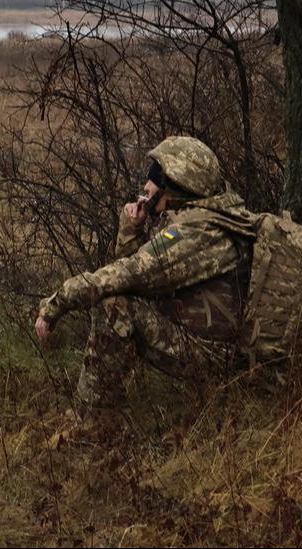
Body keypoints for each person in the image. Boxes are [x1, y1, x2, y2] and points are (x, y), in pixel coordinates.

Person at [34, 136, 256, 426]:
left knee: (114, 306)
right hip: (209, 344)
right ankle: (96, 419)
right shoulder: (209, 218)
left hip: (215, 356)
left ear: (177, 184)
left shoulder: (198, 233)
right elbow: (142, 278)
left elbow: (128, 275)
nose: (146, 191)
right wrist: (131, 229)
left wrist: (56, 303)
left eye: (153, 185)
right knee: (120, 300)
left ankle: (92, 425)